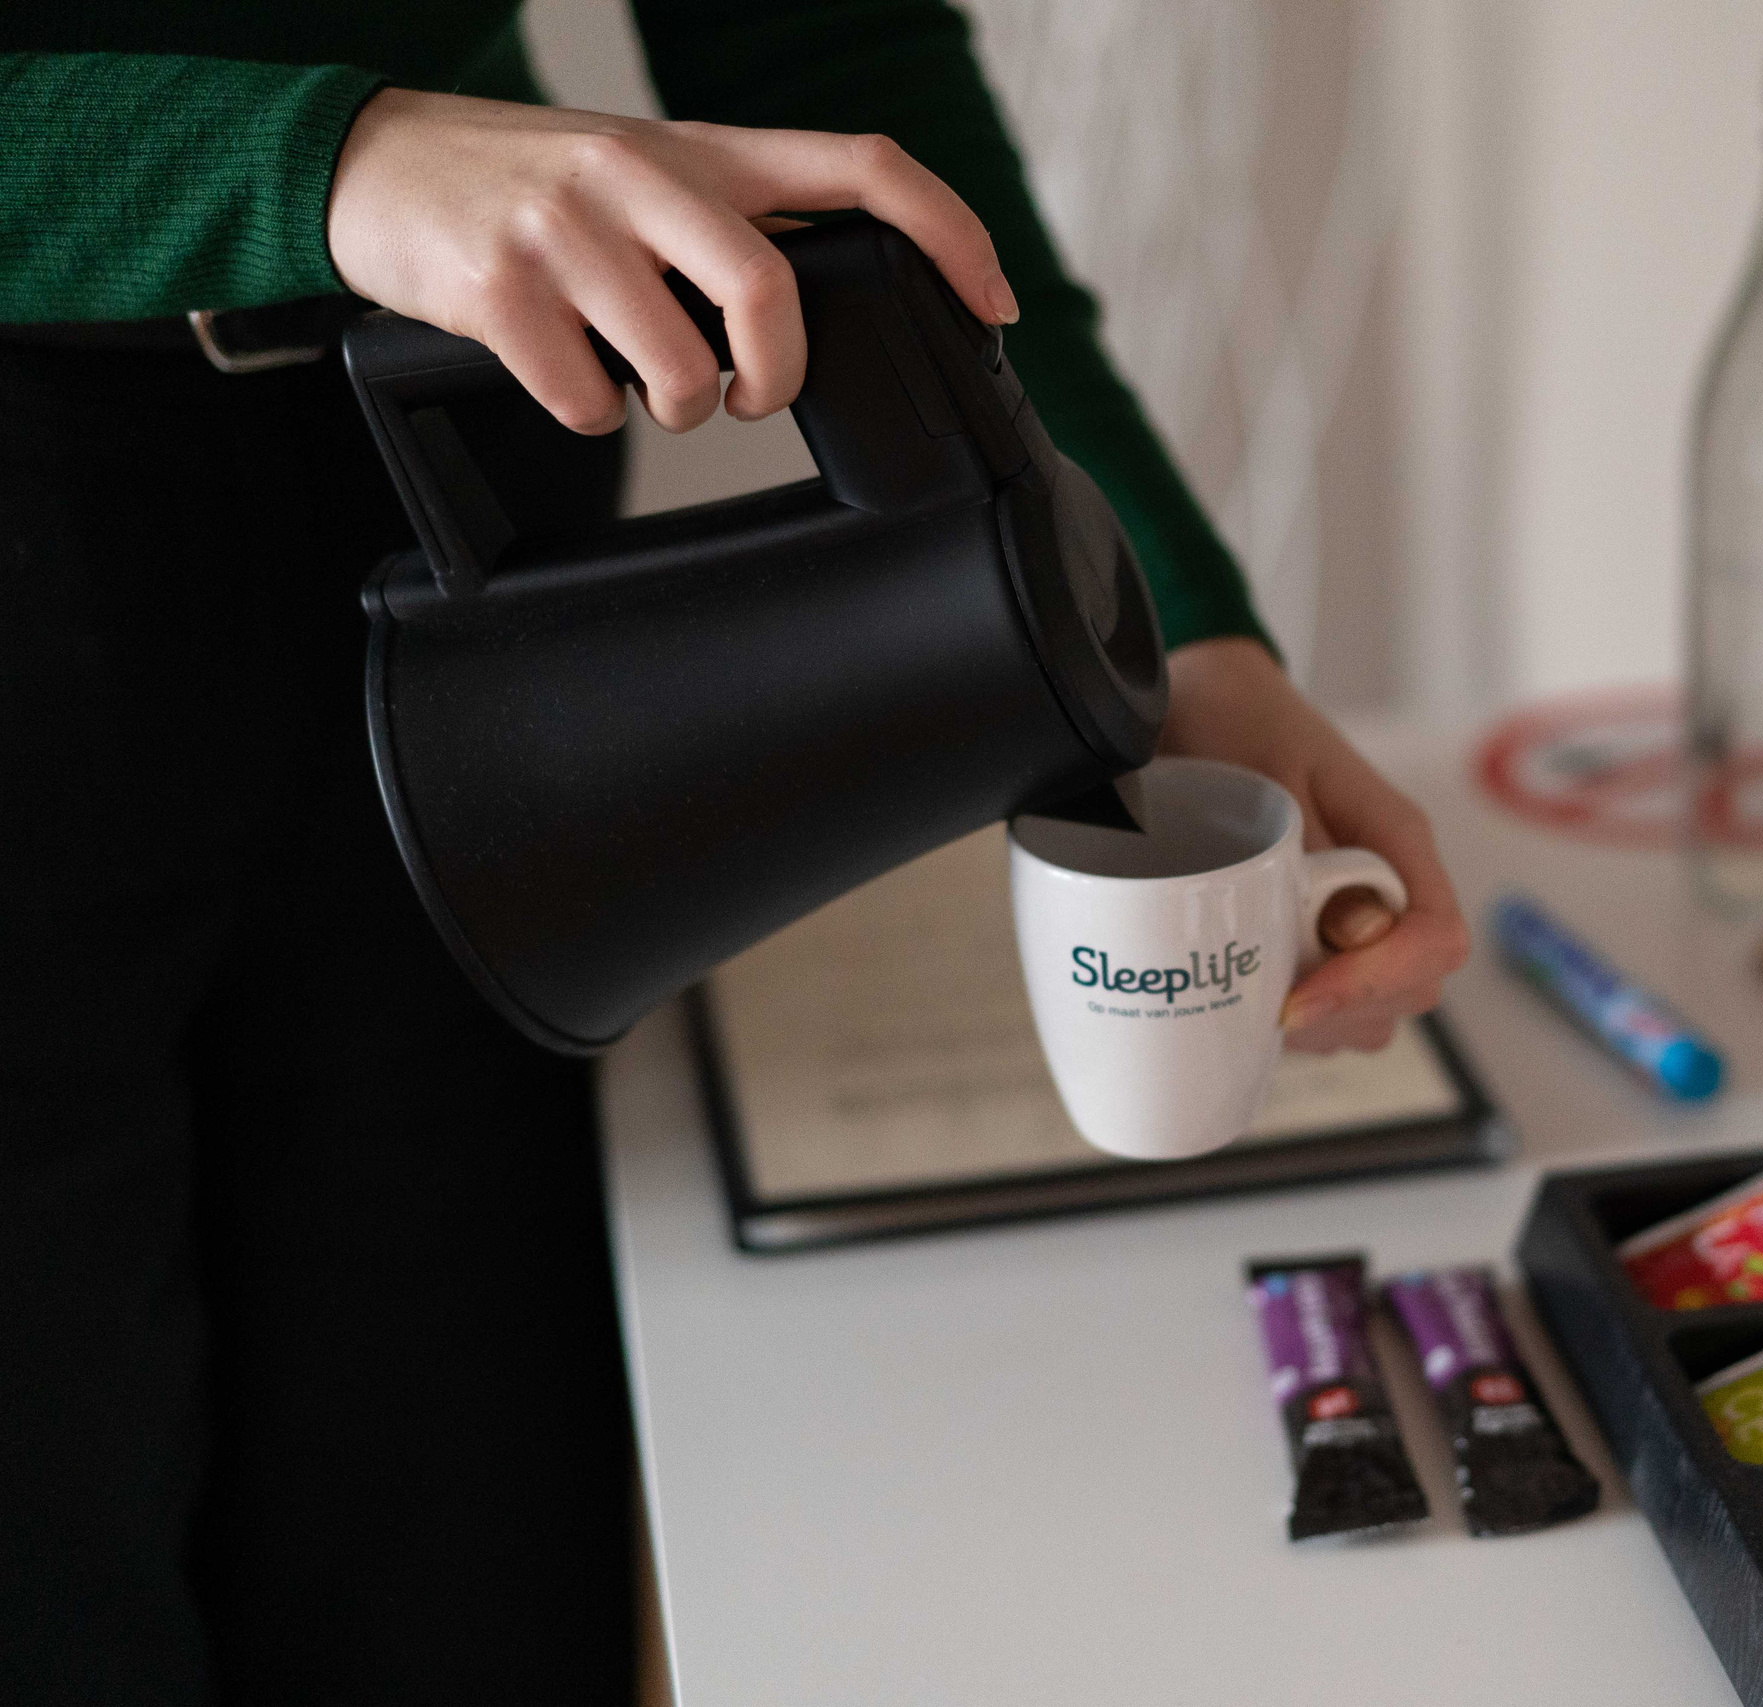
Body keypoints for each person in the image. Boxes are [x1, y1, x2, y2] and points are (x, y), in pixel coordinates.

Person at [0, 5, 1467, 1701]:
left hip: (463, 470)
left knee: (457, 1557)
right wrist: (323, 162)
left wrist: (1172, 621)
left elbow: (830, 65)